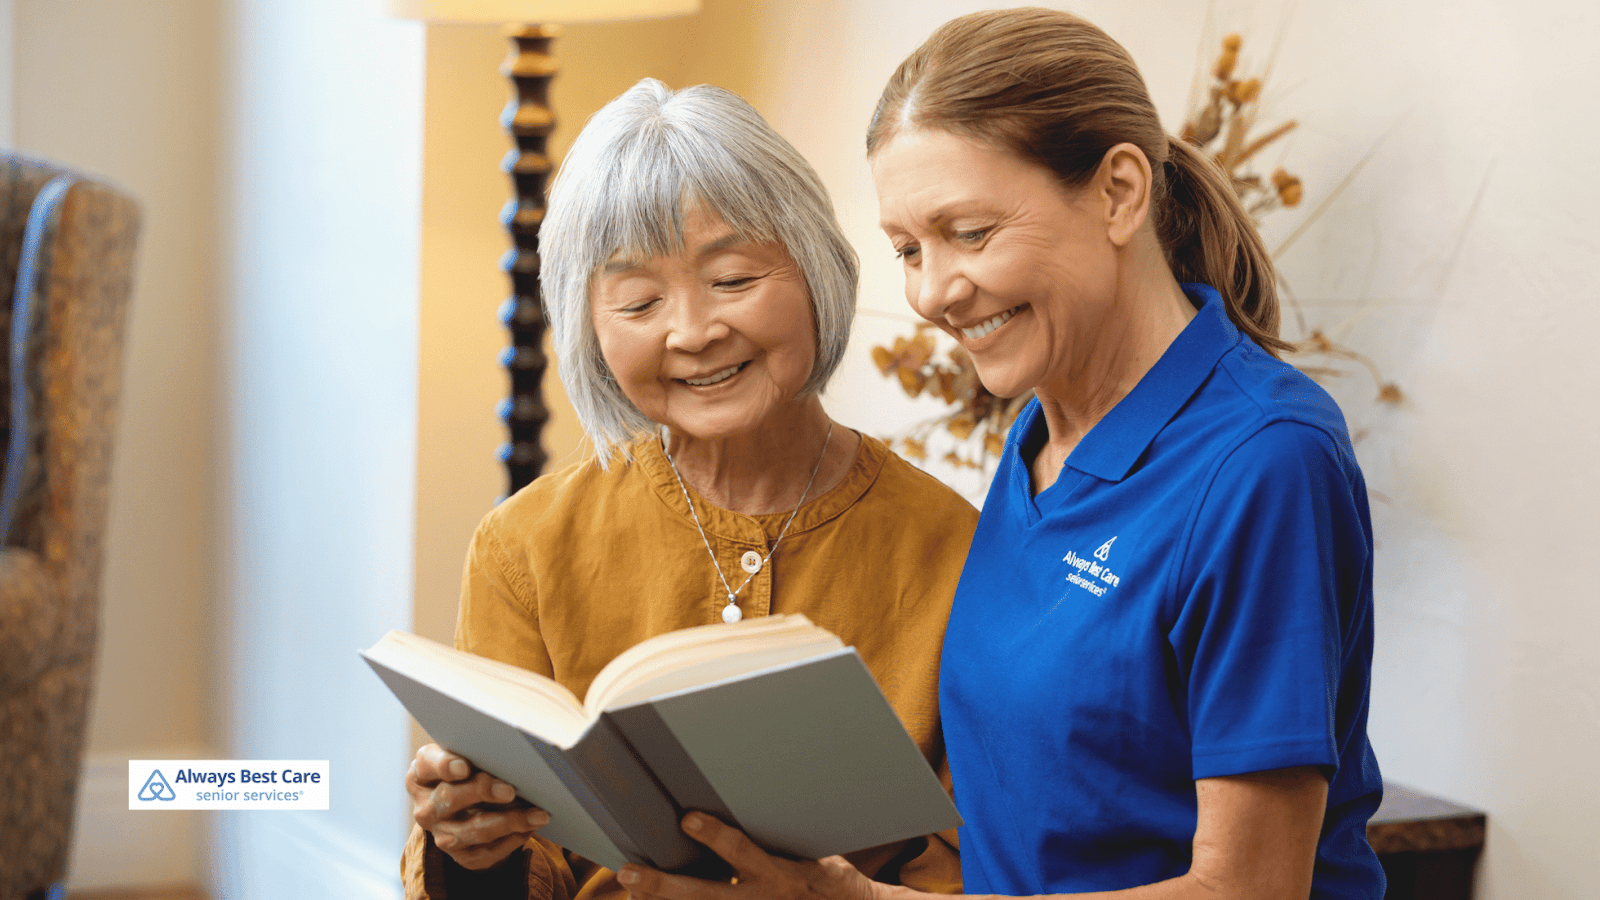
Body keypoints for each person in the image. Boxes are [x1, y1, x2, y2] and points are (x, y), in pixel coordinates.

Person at [617, 8, 1385, 900]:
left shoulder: (1265, 464)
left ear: (1119, 193)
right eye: (908, 249)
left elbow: (1246, 892)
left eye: (970, 233)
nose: (934, 293)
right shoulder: (1039, 435)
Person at [398, 78, 976, 900]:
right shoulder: (524, 545)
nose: (694, 330)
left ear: (816, 270)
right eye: (637, 300)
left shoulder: (957, 548)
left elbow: (992, 864)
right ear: (590, 329)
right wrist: (469, 849)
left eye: (734, 280)